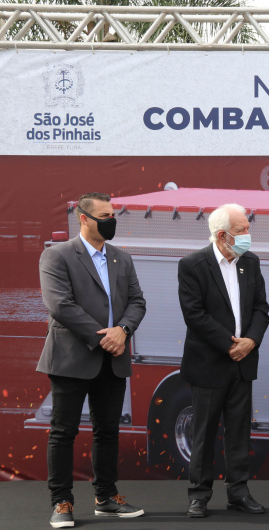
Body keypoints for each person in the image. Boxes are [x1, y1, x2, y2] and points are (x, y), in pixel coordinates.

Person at [38, 192, 147, 528]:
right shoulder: (57, 256)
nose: (111, 221)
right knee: (63, 432)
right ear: (83, 218)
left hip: (113, 359)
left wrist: (123, 330)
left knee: (108, 431)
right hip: (71, 358)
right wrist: (105, 337)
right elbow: (60, 305)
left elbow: (137, 301)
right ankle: (61, 502)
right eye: (104, 215)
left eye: (113, 215)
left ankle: (106, 498)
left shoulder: (121, 258)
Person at [178, 203, 269, 518]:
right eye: (242, 230)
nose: (248, 235)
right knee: (203, 432)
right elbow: (194, 314)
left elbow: (261, 308)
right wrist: (229, 346)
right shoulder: (193, 265)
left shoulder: (251, 262)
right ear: (222, 235)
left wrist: (251, 341)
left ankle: (238, 493)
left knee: (239, 431)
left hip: (243, 363)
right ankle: (199, 495)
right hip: (209, 363)